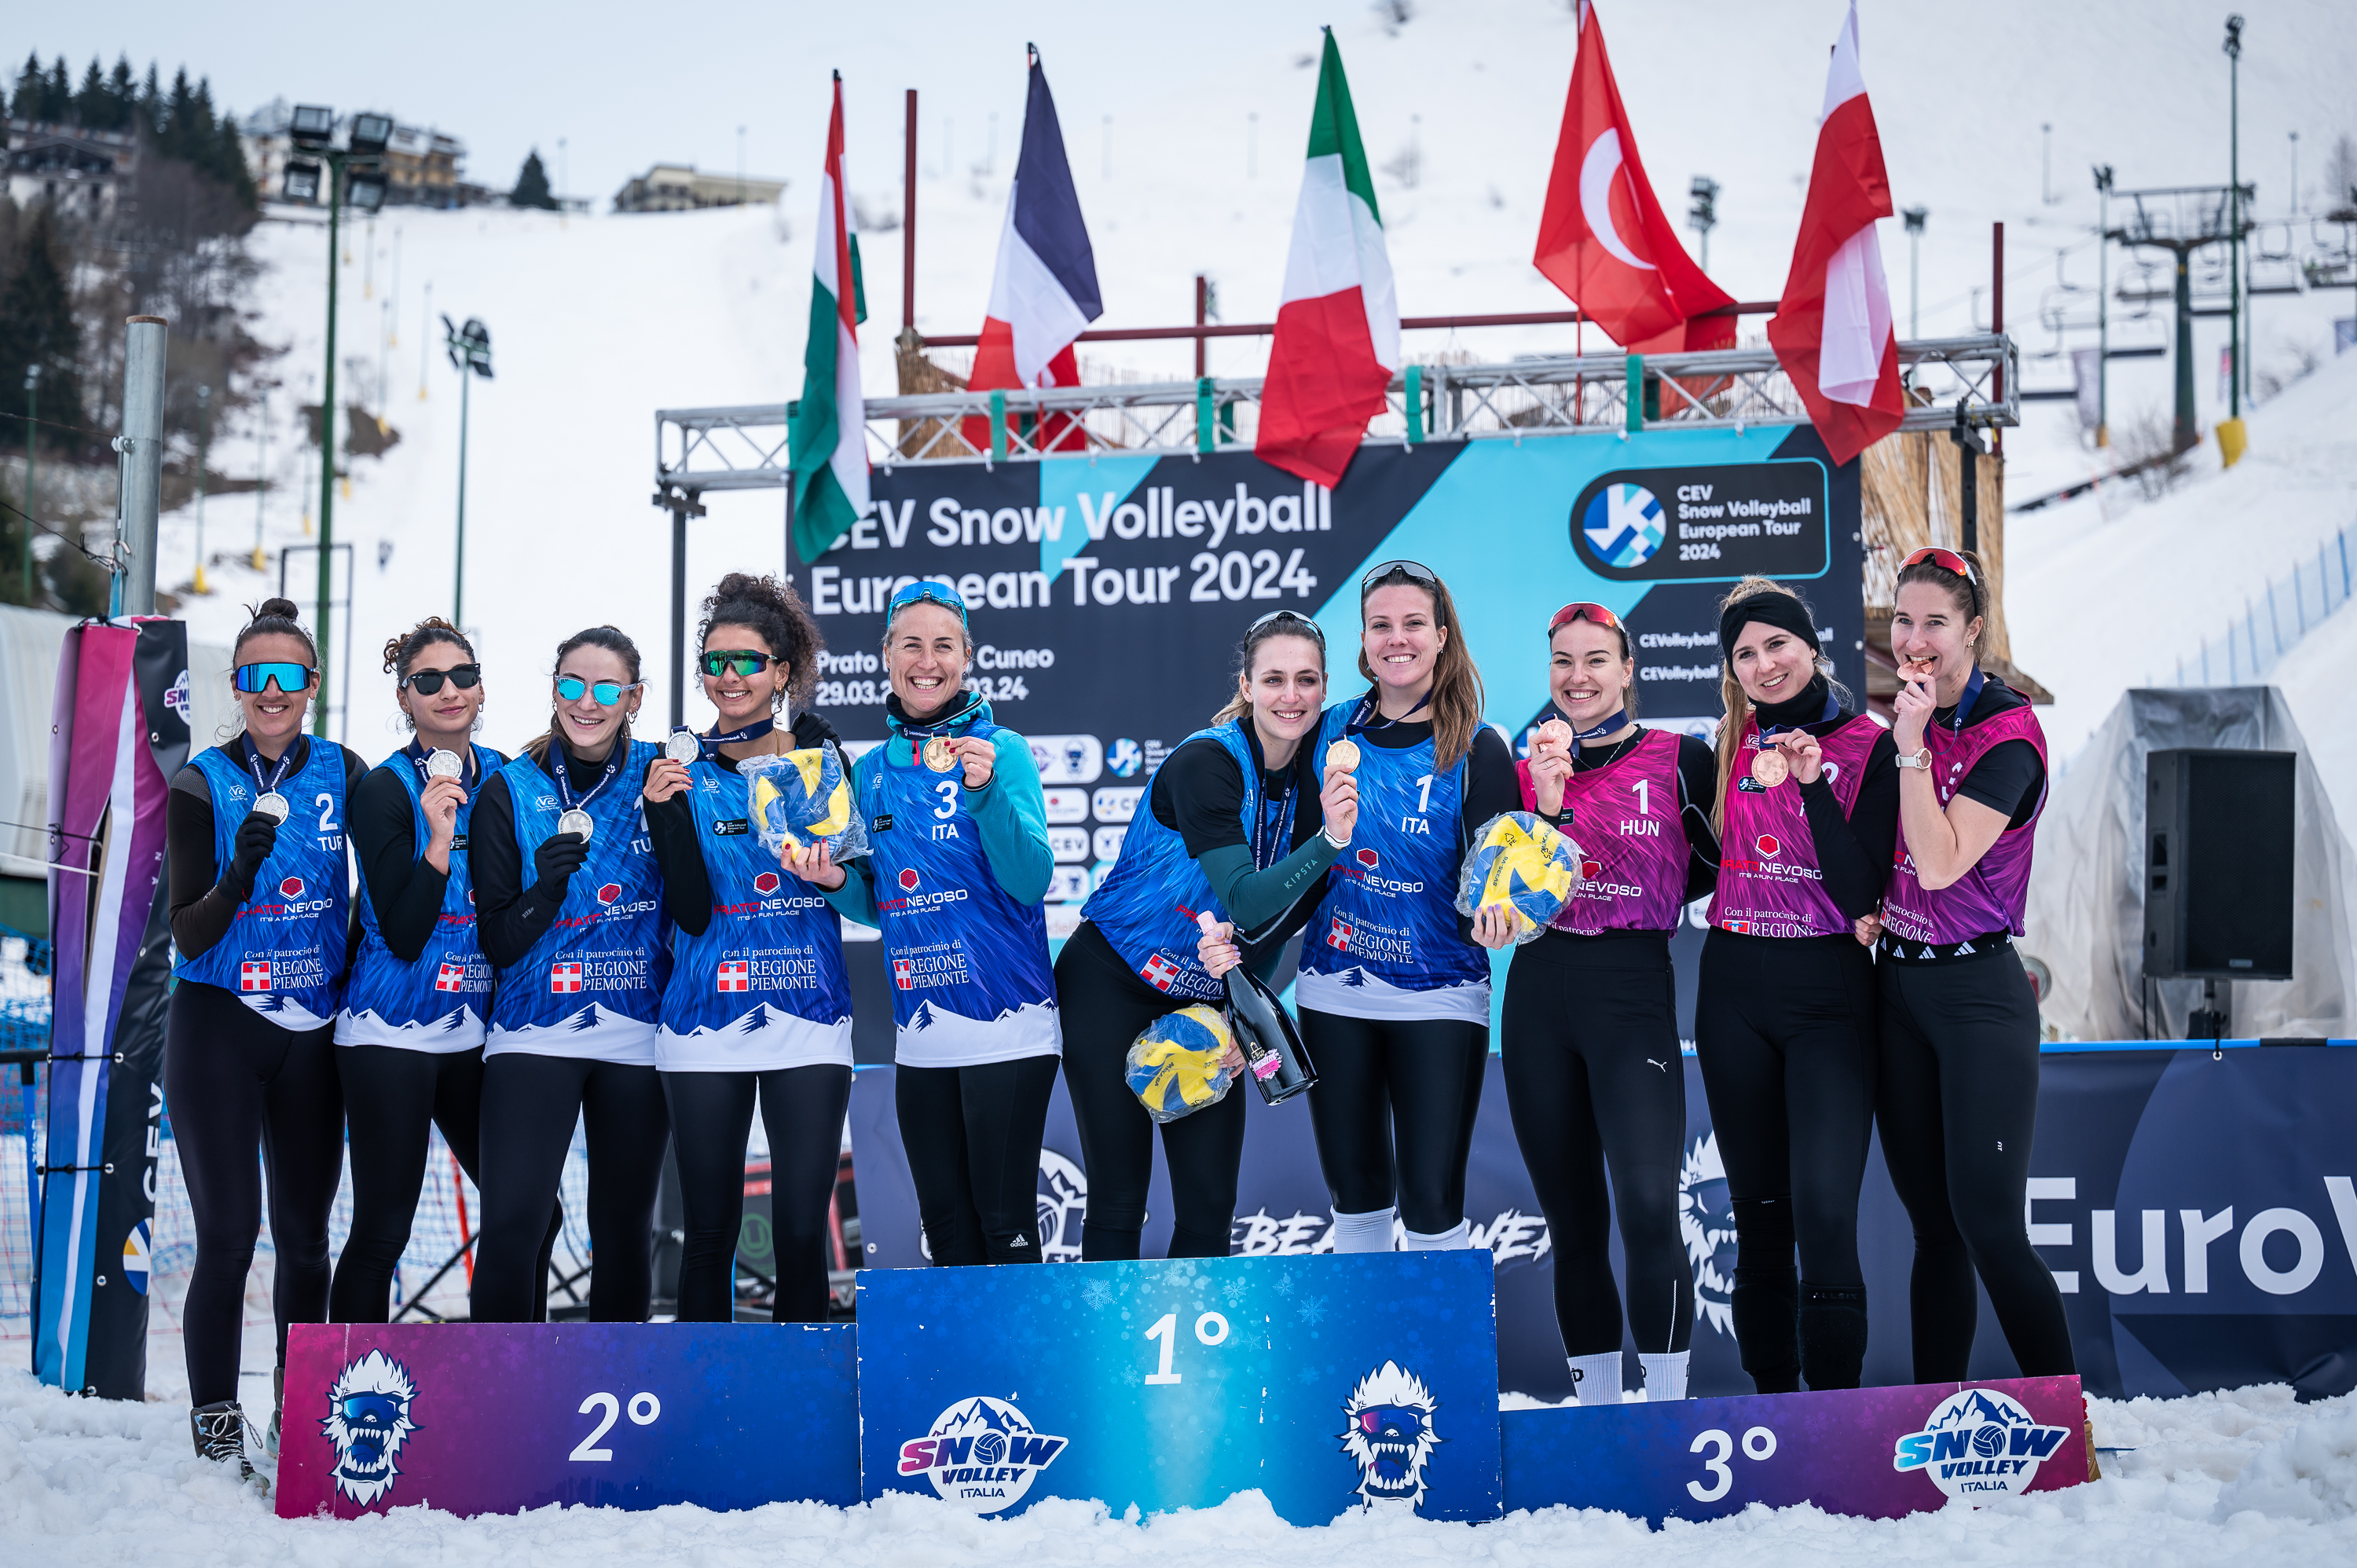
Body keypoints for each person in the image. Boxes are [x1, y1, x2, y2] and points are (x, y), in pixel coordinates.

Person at [1476, 601, 1719, 1405]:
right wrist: (1543, 806)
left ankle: (1665, 1407)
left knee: (1649, 1206)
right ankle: (1602, 1413)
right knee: (1574, 1223)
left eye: (1595, 661)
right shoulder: (1524, 766)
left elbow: (1723, 865)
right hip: (1542, 994)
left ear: (1626, 670)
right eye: (1562, 663)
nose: (1577, 678)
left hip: (1632, 990)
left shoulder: (1681, 758)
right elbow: (1499, 902)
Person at [1064, 610, 1353, 1261]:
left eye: (1306, 680)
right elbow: (1248, 904)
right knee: (1117, 1196)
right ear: (1246, 685)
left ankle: (1193, 1363)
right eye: (1273, 678)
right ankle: (1112, 1362)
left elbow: (1275, 928)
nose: (1291, 695)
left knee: (1209, 1202)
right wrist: (1332, 840)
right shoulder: (1208, 763)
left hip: (1200, 1000)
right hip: (1112, 981)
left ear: (1323, 687)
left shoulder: (1315, 781)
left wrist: (1236, 1017)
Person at [785, 581, 1059, 1264]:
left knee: (1005, 1227)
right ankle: (969, 1376)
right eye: (911, 644)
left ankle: (1024, 1373)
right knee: (946, 1233)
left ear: (967, 656)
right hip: (924, 1035)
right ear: (886, 656)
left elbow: (1030, 880)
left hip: (1008, 1026)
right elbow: (879, 907)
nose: (927, 660)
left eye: (944, 645)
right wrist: (832, 879)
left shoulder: (1003, 750)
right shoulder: (872, 771)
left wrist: (985, 794)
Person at [1863, 546, 2075, 1380]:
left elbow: (1943, 859)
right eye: (1905, 621)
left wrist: (1909, 747)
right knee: (1934, 1231)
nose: (1916, 639)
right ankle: (1933, 1413)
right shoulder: (1905, 720)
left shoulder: (2009, 734)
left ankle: (2068, 1420)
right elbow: (1885, 855)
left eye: (1935, 624)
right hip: (1898, 987)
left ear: (1973, 630)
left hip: (1978, 990)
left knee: (1988, 1222)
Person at [165, 597, 365, 1475]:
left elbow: (396, 878)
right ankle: (215, 1420)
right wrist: (239, 869)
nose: (273, 691)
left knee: (308, 1235)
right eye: (256, 677)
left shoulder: (345, 772)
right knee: (229, 1235)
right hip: (218, 1023)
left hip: (312, 1032)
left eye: (289, 675)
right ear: (238, 687)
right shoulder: (201, 781)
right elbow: (188, 933)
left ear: (311, 686)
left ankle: (299, 1404)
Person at [1694, 576, 1896, 1394]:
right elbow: (1688, 864)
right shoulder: (1724, 745)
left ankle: (1836, 1413)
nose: (1764, 662)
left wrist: (1813, 786)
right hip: (1734, 984)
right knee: (1761, 1217)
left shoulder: (1868, 743)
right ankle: (1775, 1409)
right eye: (1745, 653)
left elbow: (1861, 894)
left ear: (1812, 645)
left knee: (1823, 1211)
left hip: (1830, 991)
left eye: (1777, 643)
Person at [332, 618, 559, 1325]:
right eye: (428, 681)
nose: (449, 691)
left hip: (473, 1038)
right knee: (382, 1232)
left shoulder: (511, 777)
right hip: (390, 1035)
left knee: (534, 1214)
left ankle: (513, 1379)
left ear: (482, 684)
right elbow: (400, 933)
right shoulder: (383, 789)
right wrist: (436, 841)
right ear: (405, 697)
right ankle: (343, 1408)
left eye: (462, 675)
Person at [1293, 561, 1521, 1255]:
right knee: (1354, 1198)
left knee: (1431, 1201)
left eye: (1413, 624)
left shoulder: (1479, 746)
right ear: (1362, 642)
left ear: (1442, 636)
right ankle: (1364, 1359)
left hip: (1441, 997)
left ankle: (1439, 1365)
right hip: (1334, 991)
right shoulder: (1327, 730)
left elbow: (1495, 889)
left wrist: (1502, 913)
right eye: (1381, 626)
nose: (1398, 639)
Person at [643, 573, 852, 1323]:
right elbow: (691, 914)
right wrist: (666, 818)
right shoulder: (677, 770)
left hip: (809, 1015)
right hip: (702, 1020)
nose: (729, 678)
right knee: (709, 1236)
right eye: (715, 662)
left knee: (802, 1234)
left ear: (783, 671)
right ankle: (706, 1420)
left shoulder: (822, 755)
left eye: (748, 662)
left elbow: (853, 887)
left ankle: (804, 1424)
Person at [467, 627, 670, 1323]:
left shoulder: (660, 777)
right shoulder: (509, 789)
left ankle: (620, 1401)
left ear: (634, 697)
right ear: (553, 689)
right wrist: (544, 892)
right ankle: (501, 1408)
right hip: (533, 1033)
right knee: (513, 1228)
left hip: (635, 1038)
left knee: (622, 1235)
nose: (587, 702)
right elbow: (496, 940)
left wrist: (794, 741)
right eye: (572, 685)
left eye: (606, 688)